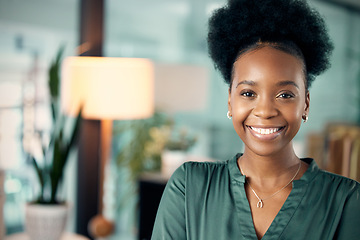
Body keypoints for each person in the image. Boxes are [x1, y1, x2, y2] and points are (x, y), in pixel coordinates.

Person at [151, 0, 360, 239]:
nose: (265, 111)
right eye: (248, 93)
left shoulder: (346, 201)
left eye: (285, 95)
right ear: (230, 101)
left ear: (306, 104)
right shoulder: (189, 187)